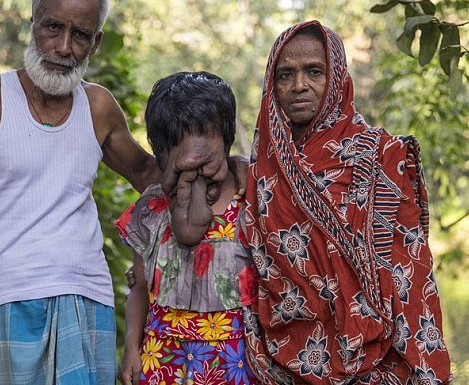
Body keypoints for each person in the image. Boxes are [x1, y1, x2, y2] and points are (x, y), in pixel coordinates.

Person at [241, 21, 452, 384]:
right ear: (271, 86)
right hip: (282, 362)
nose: (299, 85)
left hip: (378, 362)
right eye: (285, 75)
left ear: (337, 76)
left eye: (314, 71)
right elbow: (253, 269)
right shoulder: (262, 171)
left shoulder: (380, 158)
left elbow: (409, 271)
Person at [115, 72, 260, 385]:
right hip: (163, 360)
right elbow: (139, 287)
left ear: (226, 138)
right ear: (161, 154)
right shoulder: (151, 211)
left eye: (205, 161)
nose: (196, 174)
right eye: (182, 167)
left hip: (236, 361)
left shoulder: (252, 200)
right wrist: (131, 348)